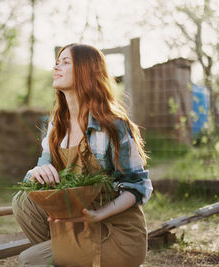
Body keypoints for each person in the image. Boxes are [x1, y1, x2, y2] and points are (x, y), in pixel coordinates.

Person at [12, 44, 153, 267]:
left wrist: (100, 214)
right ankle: (69, 253)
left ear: (86, 71)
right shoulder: (57, 126)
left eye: (66, 62)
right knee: (23, 201)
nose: (56, 67)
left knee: (31, 260)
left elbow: (138, 187)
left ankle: (73, 256)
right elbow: (37, 179)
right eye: (57, 61)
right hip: (79, 224)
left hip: (115, 230)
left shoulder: (112, 125)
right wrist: (36, 171)